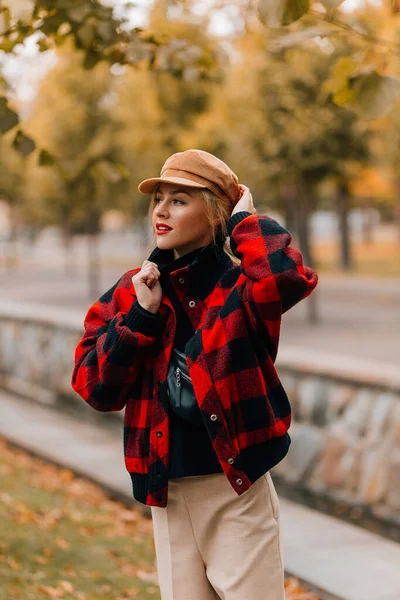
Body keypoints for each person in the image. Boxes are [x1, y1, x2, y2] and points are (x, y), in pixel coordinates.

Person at [71, 148, 319, 600]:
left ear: (214, 212)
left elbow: (286, 279)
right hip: (168, 494)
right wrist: (141, 320)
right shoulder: (136, 290)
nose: (161, 211)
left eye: (180, 200)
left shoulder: (240, 288)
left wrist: (247, 221)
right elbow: (94, 386)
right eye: (158, 198)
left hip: (236, 493)